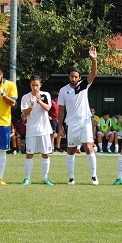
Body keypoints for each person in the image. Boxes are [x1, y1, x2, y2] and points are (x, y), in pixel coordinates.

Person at [57, 46, 99, 185]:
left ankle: (93, 176)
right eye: (71, 76)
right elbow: (61, 110)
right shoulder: (63, 91)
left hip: (85, 122)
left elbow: (93, 74)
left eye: (76, 76)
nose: (73, 78)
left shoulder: (83, 85)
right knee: (71, 150)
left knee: (88, 147)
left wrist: (94, 60)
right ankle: (71, 177)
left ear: (79, 78)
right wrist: (60, 127)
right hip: (71, 124)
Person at [20, 75, 55, 185]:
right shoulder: (25, 97)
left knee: (45, 154)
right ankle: (27, 178)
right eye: (33, 85)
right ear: (30, 85)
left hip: (44, 129)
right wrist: (31, 106)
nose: (35, 88)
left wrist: (39, 101)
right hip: (31, 130)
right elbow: (24, 114)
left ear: (40, 85)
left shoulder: (46, 95)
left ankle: (45, 178)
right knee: (29, 154)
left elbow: (48, 108)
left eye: (37, 85)